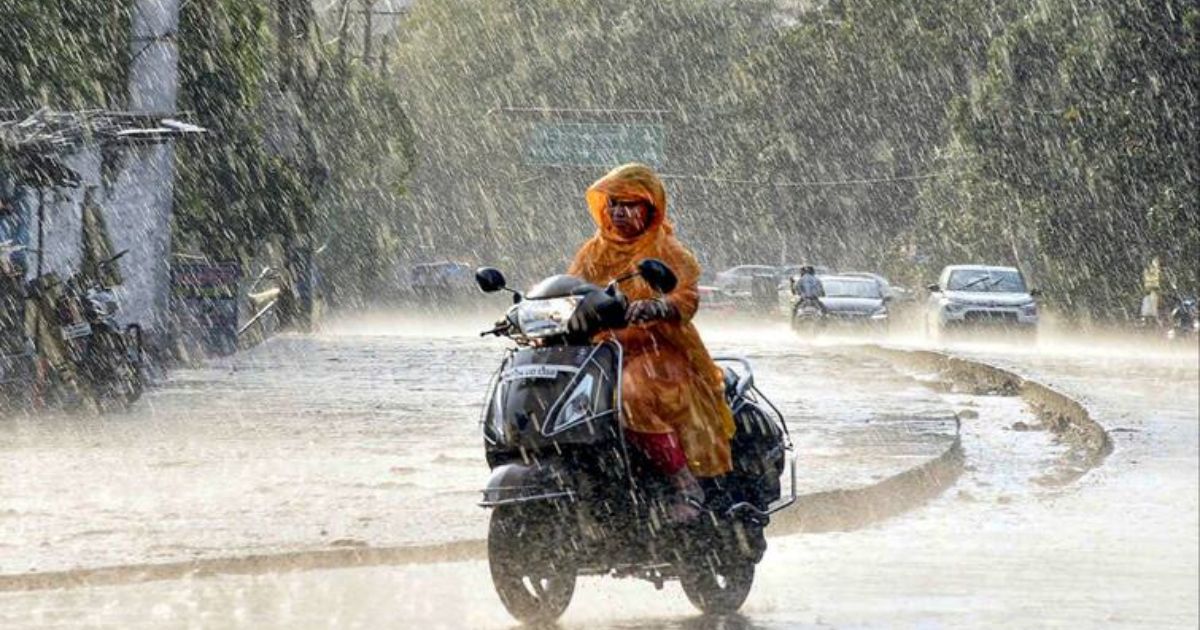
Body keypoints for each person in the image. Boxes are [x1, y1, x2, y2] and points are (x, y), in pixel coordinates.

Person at [568, 163, 735, 523]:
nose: (619, 212)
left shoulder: (667, 251)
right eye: (613, 203)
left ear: (651, 209)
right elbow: (570, 290)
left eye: (630, 204)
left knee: (630, 396)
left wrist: (659, 305)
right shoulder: (592, 252)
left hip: (657, 349)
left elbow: (687, 297)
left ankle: (684, 483)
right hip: (601, 351)